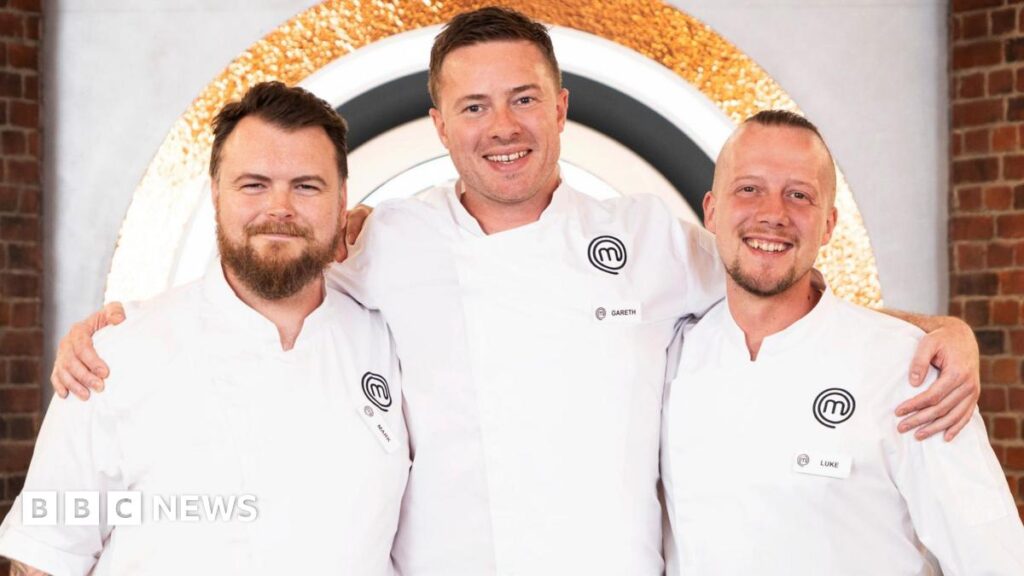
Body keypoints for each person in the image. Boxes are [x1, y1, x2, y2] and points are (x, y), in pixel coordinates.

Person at [49, 7, 981, 575]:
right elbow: (267, 264)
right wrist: (120, 331)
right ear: (439, 124)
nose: (503, 127)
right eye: (474, 105)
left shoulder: (649, 238)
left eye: (525, 99)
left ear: (561, 107)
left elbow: (773, 281)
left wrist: (932, 333)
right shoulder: (383, 240)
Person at [0, 83, 409, 575]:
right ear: (216, 195)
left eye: (306, 186)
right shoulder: (113, 359)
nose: (279, 207)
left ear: (342, 201)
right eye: (253, 184)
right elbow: (45, 555)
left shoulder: (393, 341)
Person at [661, 110, 1024, 575]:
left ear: (829, 224)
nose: (772, 214)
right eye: (749, 189)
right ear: (712, 210)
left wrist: (950, 330)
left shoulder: (909, 370)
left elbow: (995, 560)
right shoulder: (673, 355)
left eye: (799, 195)